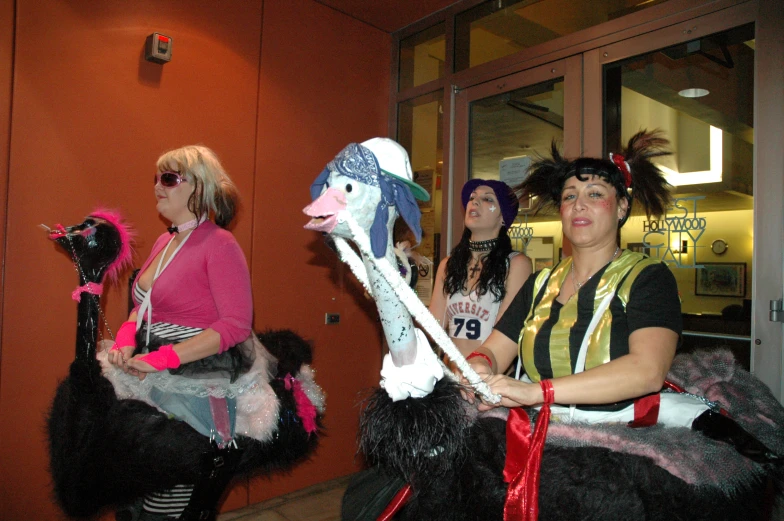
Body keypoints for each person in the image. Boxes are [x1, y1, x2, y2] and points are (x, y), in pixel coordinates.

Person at [466, 131, 780, 460]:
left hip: (627, 436)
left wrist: (533, 392)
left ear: (622, 208)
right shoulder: (539, 284)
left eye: (595, 193)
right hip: (536, 428)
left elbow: (647, 370)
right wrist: (479, 371)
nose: (579, 204)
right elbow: (492, 351)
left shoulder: (649, 278)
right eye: (569, 196)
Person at [107, 145, 254, 519]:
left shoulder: (220, 243)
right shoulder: (164, 240)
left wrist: (162, 359)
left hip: (191, 382)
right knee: (130, 496)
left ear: (199, 188)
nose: (158, 186)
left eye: (169, 178)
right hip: (145, 371)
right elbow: (142, 307)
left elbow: (235, 325)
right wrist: (125, 341)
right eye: (156, 178)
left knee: (167, 505)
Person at [428, 179, 531, 364]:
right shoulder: (448, 264)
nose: (474, 202)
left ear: (503, 218)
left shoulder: (516, 264)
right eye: (472, 197)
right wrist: (395, 294)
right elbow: (432, 328)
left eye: (488, 199)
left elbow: (506, 334)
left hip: (488, 378)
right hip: (450, 378)